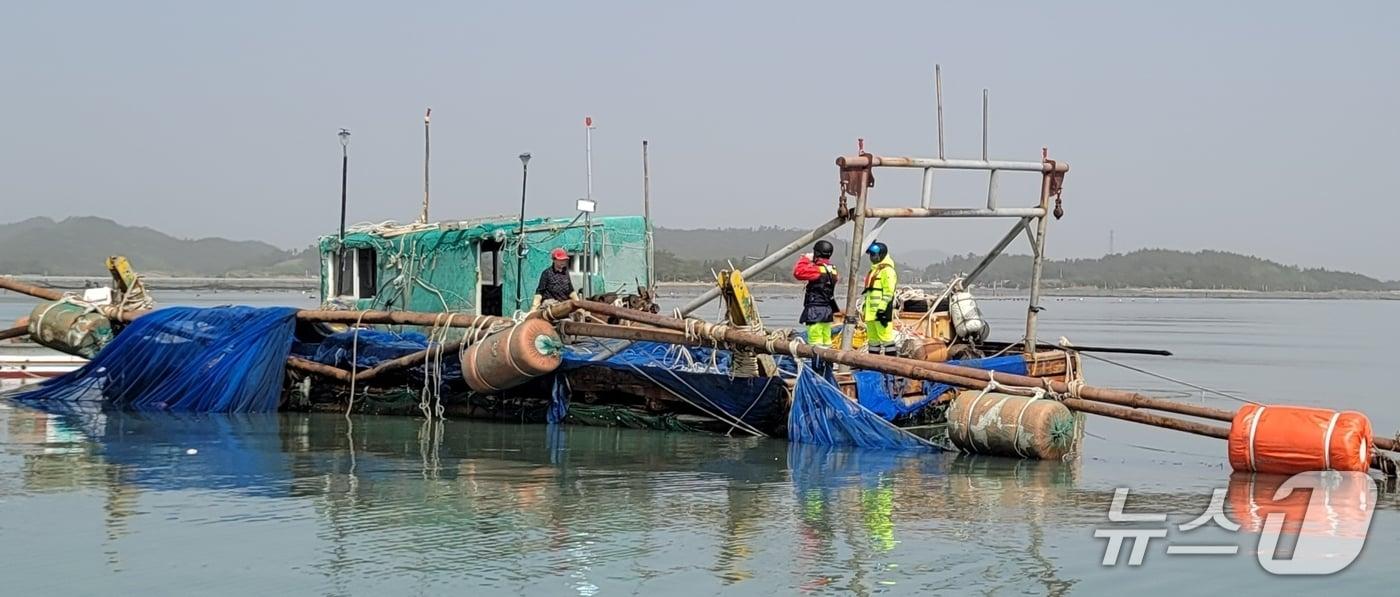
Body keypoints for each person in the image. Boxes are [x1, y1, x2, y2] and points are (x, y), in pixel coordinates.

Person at [792, 240, 839, 348]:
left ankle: (816, 358)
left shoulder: (817, 270)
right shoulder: (833, 270)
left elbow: (798, 272)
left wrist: (805, 259)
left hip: (815, 310)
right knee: (826, 337)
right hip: (827, 310)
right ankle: (827, 357)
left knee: (815, 339)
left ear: (817, 253)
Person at [861, 241, 897, 355]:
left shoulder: (888, 271)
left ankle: (891, 363)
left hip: (881, 313)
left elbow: (888, 292)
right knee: (873, 340)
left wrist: (882, 309)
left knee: (887, 339)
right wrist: (864, 309)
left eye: (874, 254)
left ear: (881, 255)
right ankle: (872, 363)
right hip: (870, 313)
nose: (872, 257)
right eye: (871, 255)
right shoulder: (874, 271)